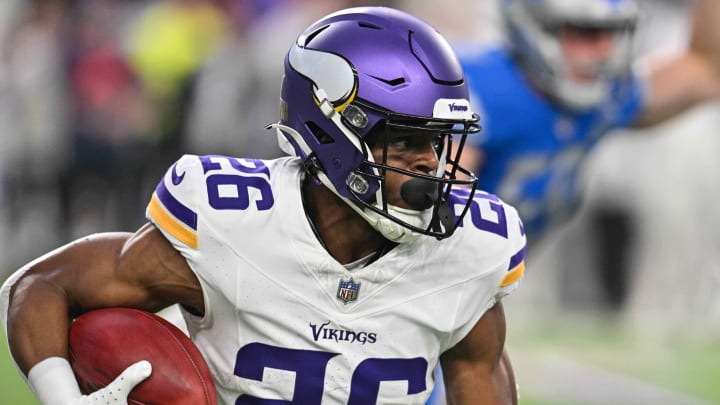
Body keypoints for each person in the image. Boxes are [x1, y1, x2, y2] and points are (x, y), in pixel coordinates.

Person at [0, 7, 526, 405]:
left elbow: (477, 373)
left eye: (438, 143)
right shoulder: (236, 221)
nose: (431, 164)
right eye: (408, 140)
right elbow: (39, 287)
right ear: (333, 133)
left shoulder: (469, 250)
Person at [455, 0, 720, 311]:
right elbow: (438, 238)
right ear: (534, 26)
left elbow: (707, 72)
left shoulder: (601, 99)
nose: (604, 51)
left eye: (612, 33)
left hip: (470, 298)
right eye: (585, 32)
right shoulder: (471, 92)